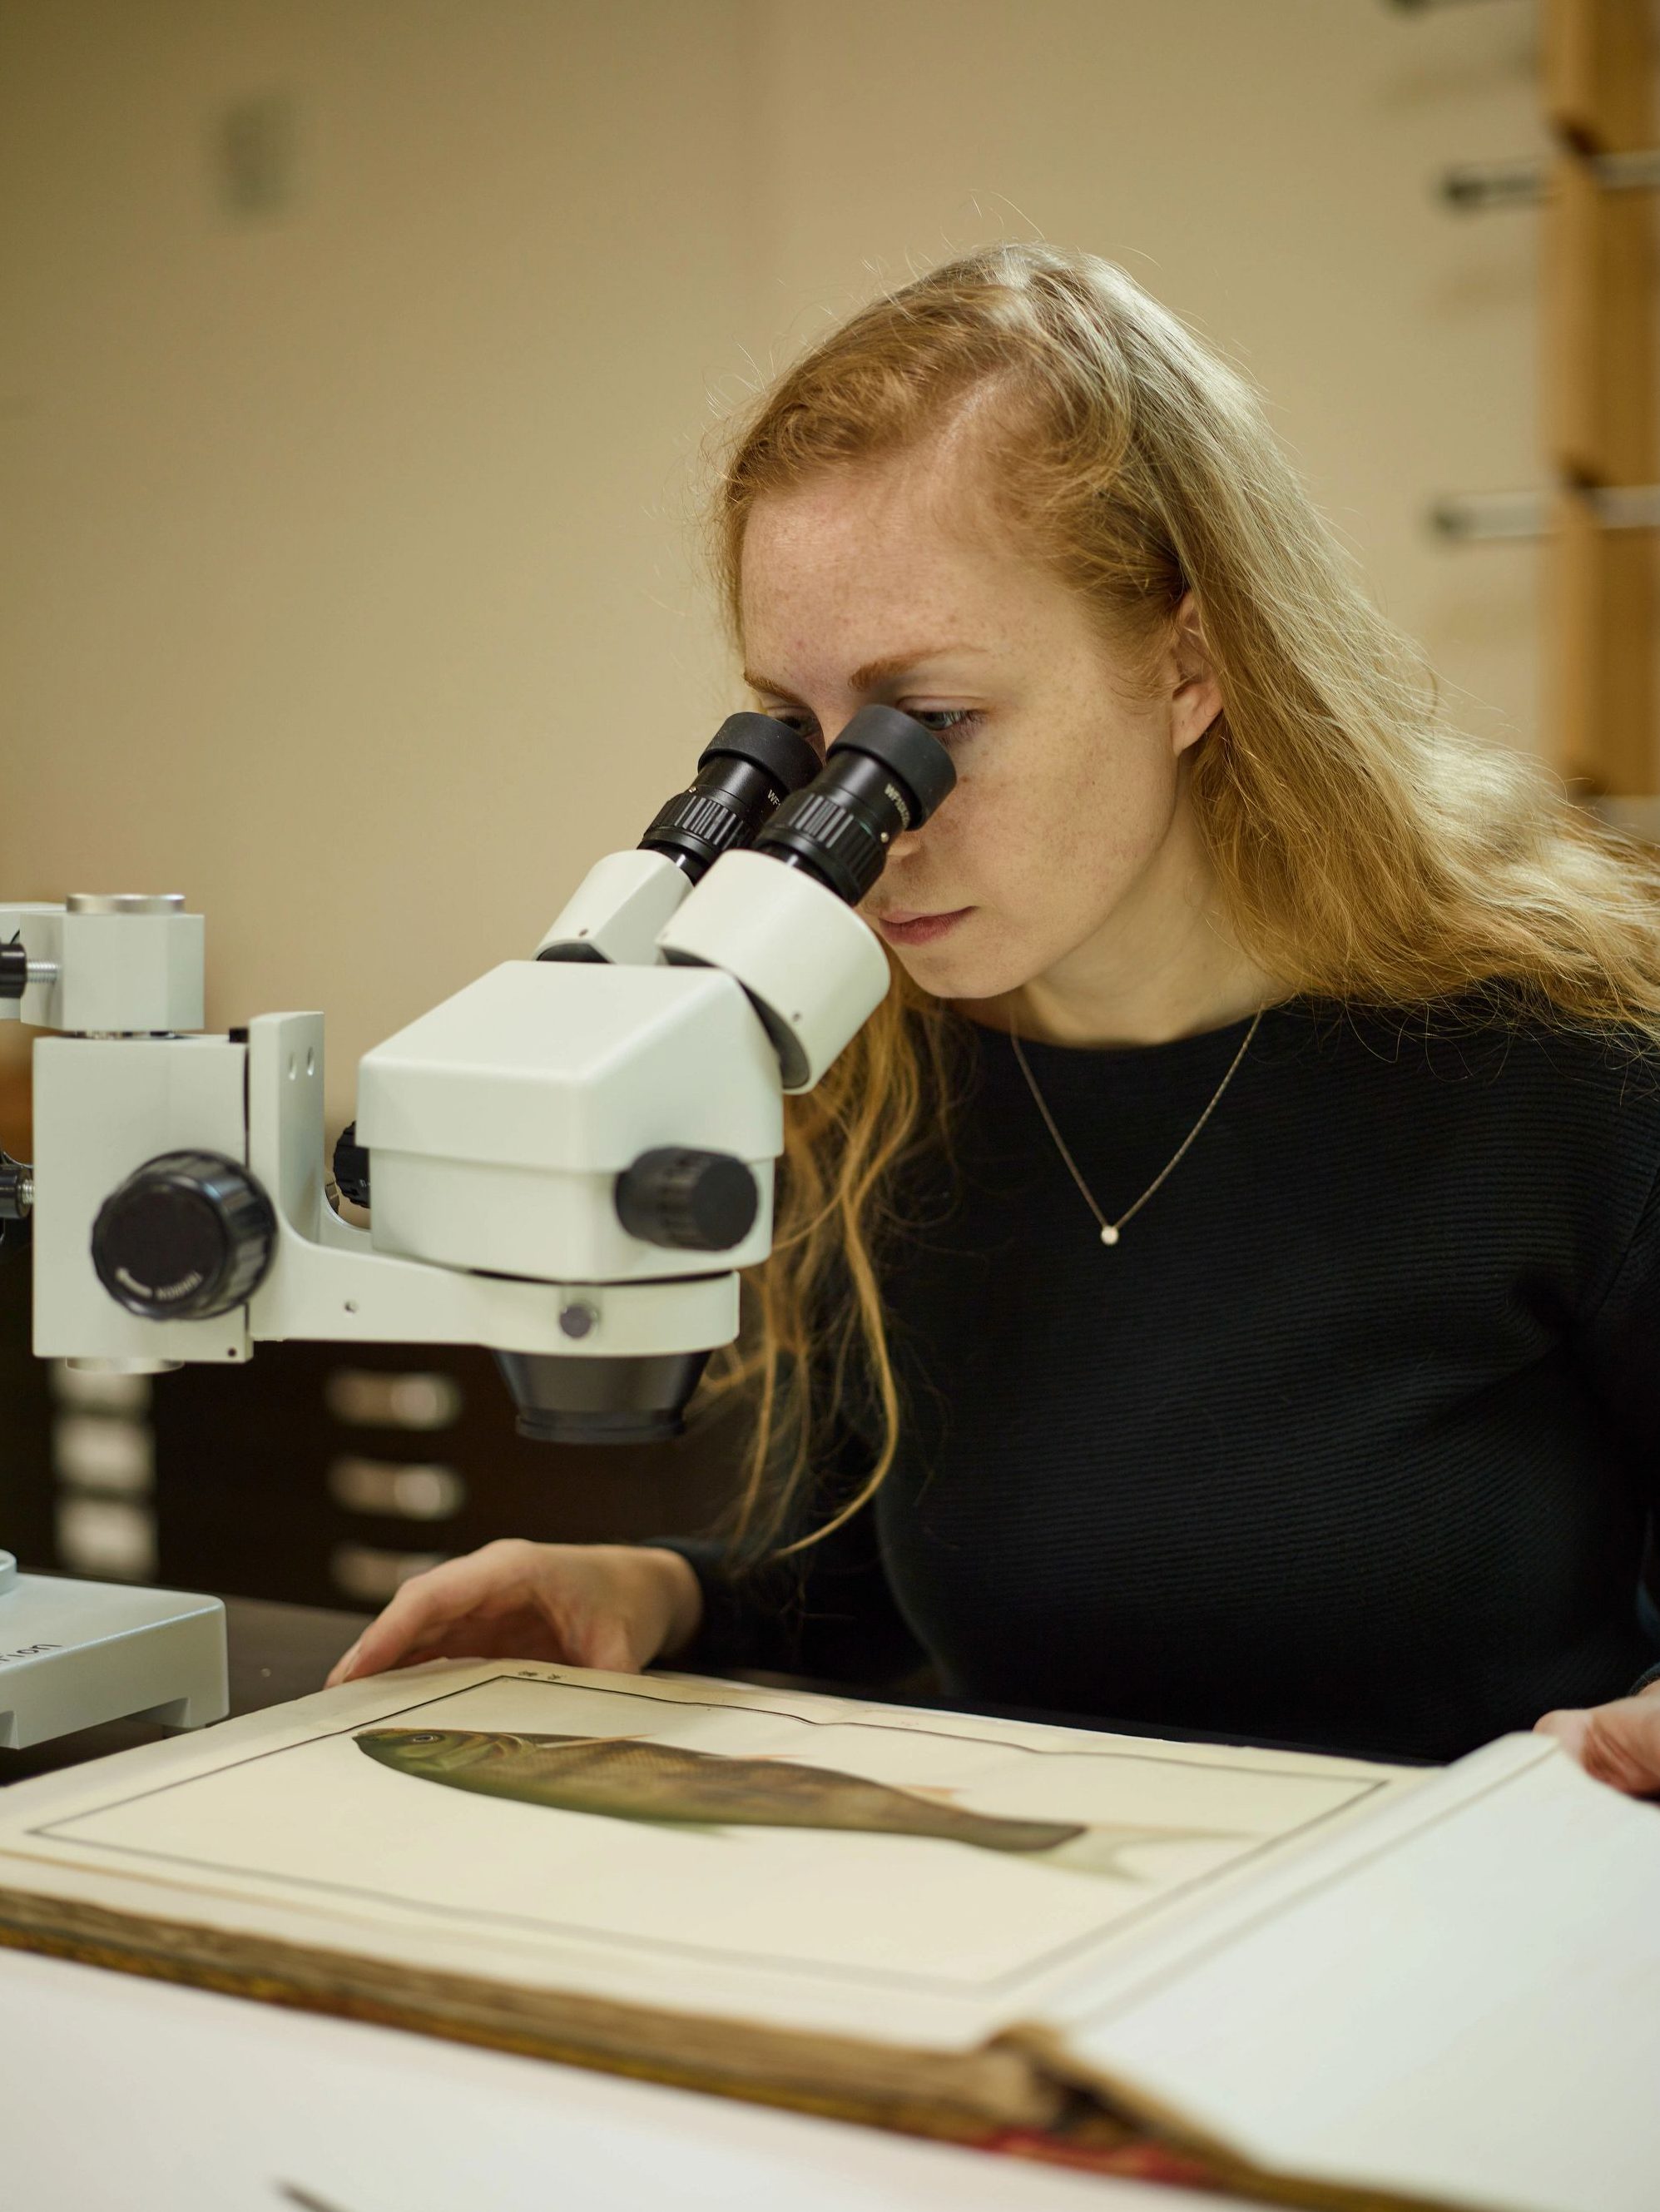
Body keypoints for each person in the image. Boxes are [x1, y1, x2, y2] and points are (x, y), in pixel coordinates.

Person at [329, 244, 1660, 1794]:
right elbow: (866, 1578)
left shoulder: (1567, 1068)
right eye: (804, 741)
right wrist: (655, 1588)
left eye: (933, 726)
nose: (865, 825)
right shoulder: (879, 1069)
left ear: (1187, 664)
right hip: (1027, 1958)